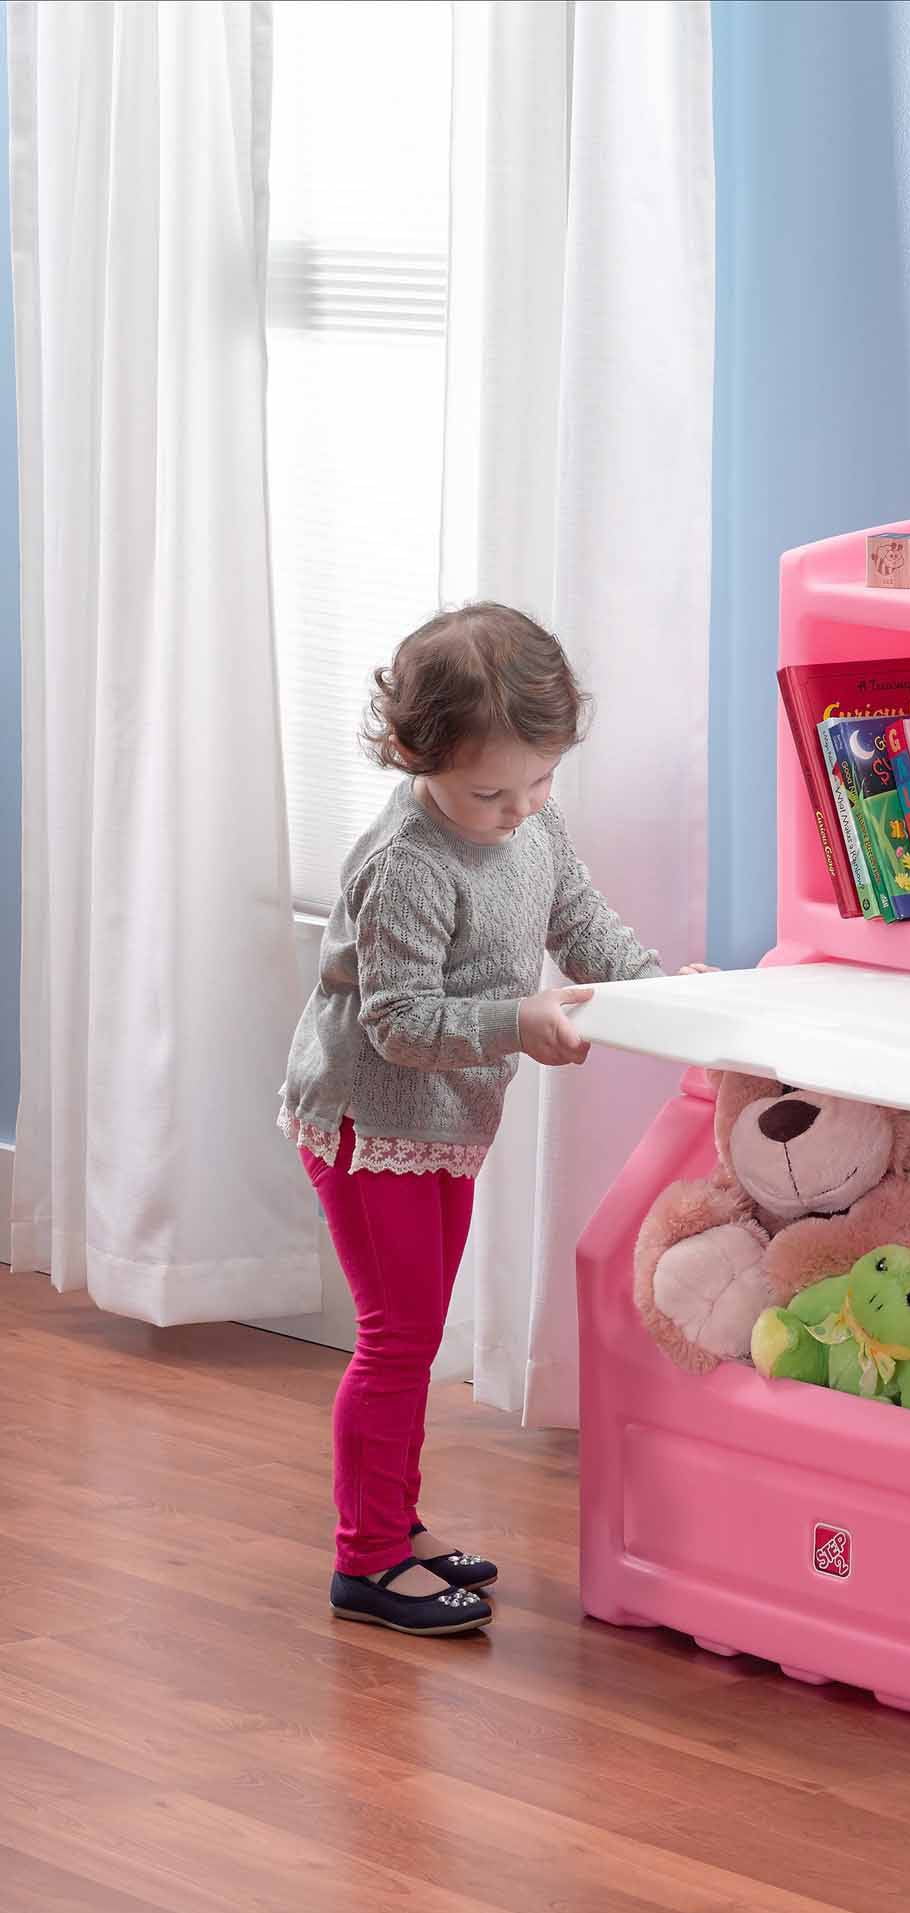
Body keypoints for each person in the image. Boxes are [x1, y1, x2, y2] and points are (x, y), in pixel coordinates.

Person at [279, 603, 704, 1635]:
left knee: (412, 1333)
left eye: (541, 781)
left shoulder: (528, 822)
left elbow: (579, 921)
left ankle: (395, 1520)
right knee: (397, 1335)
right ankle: (365, 1558)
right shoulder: (407, 863)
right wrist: (518, 1020)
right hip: (368, 1116)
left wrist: (665, 995)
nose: (519, 809)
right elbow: (398, 1022)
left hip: (448, 1117)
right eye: (489, 790)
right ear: (419, 756)